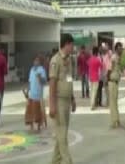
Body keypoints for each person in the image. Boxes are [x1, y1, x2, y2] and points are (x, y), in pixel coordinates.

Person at [49, 33, 77, 163]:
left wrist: (72, 98)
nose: (73, 48)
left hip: (66, 100)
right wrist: (52, 105)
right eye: (72, 45)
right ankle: (67, 161)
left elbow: (69, 79)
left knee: (62, 133)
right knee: (62, 134)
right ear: (66, 44)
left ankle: (55, 161)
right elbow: (52, 84)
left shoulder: (69, 60)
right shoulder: (55, 60)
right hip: (59, 101)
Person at [25, 54, 47, 131]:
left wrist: (40, 77)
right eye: (35, 60)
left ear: (40, 62)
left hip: (38, 93)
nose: (36, 62)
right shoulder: (31, 69)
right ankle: (31, 124)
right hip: (31, 93)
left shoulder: (42, 70)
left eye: (37, 60)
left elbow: (44, 82)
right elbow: (30, 81)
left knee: (37, 109)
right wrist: (27, 91)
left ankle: (38, 124)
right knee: (29, 109)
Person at [108, 42, 123, 128]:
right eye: (120, 48)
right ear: (116, 49)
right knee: (113, 103)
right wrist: (108, 78)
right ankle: (114, 122)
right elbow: (110, 69)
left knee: (115, 102)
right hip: (112, 81)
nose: (121, 50)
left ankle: (117, 120)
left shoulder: (118, 57)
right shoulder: (114, 57)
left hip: (116, 82)